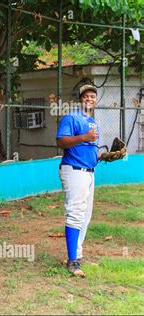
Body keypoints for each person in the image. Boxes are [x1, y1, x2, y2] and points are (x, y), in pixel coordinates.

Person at [56, 84, 100, 278]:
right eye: (86, 96)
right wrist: (84, 137)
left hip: (89, 172)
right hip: (74, 170)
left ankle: (78, 255)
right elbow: (61, 141)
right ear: (80, 99)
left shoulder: (91, 121)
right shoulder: (71, 117)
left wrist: (104, 156)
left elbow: (88, 149)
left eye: (93, 96)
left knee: (85, 215)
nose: (89, 99)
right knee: (75, 213)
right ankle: (72, 261)